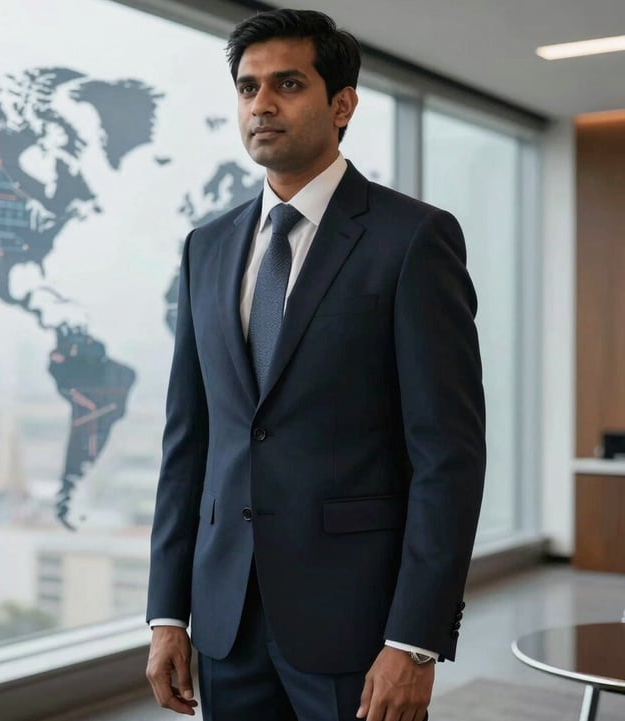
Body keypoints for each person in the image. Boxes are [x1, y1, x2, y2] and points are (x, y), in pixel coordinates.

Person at [146, 8, 486, 721]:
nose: (261, 104)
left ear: (342, 105)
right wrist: (167, 613)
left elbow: (447, 457)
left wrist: (415, 640)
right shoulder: (205, 248)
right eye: (248, 88)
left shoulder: (412, 239)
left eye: (288, 84)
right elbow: (189, 443)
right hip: (226, 622)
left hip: (358, 624)